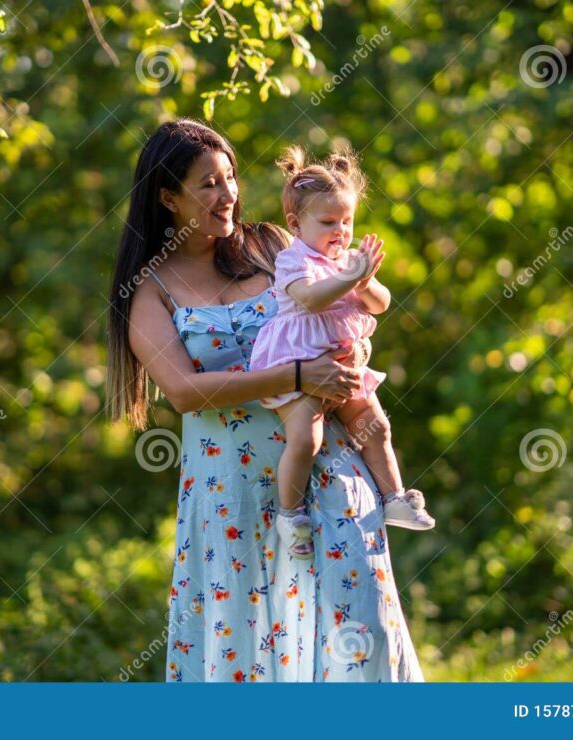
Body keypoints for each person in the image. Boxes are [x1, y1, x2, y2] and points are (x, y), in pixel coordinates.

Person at [106, 118, 424, 681]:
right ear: (166, 197)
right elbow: (182, 392)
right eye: (206, 184)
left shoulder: (270, 246)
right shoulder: (151, 288)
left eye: (229, 178)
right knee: (250, 653)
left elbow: (347, 310)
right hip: (232, 493)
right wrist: (298, 376)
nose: (225, 194)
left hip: (328, 468)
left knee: (362, 636)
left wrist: (347, 352)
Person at [248, 144, 435, 560]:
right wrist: (347, 277)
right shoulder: (292, 260)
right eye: (328, 221)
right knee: (306, 438)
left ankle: (394, 497)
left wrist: (363, 280)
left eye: (347, 221)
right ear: (296, 224)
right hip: (299, 365)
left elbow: (381, 304)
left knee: (376, 425)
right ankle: (290, 514)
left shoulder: (349, 262)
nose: (341, 231)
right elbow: (311, 300)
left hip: (345, 368)